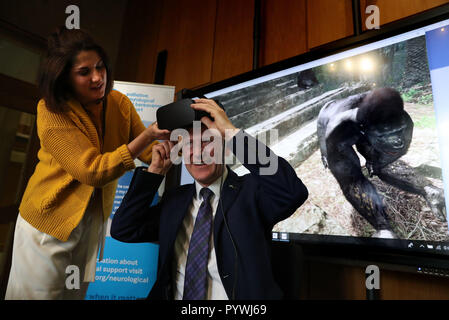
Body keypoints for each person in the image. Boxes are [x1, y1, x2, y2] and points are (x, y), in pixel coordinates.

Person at [5, 27, 169, 300]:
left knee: (74, 296)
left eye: (100, 67)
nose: (97, 78)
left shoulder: (119, 103)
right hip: (48, 223)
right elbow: (91, 170)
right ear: (63, 77)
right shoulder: (51, 110)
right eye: (84, 72)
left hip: (90, 222)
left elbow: (150, 152)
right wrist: (148, 135)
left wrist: (173, 143)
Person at [111, 98, 309, 300]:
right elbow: (123, 228)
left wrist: (233, 134)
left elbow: (293, 192)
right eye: (188, 144)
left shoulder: (251, 191)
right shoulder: (175, 200)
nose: (197, 153)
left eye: (207, 141)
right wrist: (154, 173)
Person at [317, 87, 446, 239]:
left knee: (379, 165)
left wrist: (425, 189)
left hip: (365, 124)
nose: (398, 142)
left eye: (399, 131)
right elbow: (352, 182)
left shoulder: (402, 118)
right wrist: (383, 228)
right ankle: (383, 229)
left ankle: (430, 192)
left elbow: (389, 158)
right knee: (347, 172)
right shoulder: (337, 129)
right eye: (389, 135)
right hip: (331, 120)